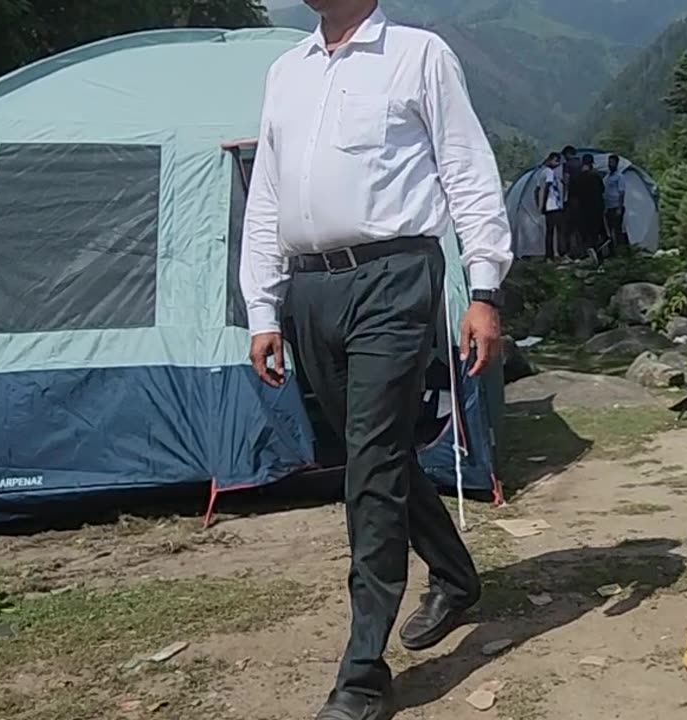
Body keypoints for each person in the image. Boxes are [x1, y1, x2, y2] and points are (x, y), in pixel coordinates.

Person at [239, 2, 511, 718]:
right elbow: (266, 194)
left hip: (393, 276)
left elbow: (468, 170)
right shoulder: (285, 71)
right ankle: (454, 575)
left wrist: (483, 289)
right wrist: (263, 308)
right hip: (309, 289)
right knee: (374, 451)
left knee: (370, 466)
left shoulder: (419, 55)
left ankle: (361, 674)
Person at [570, 153, 607, 259]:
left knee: (586, 233)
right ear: (592, 164)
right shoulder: (596, 176)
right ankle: (599, 254)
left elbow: (573, 196)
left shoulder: (577, 178)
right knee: (597, 232)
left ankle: (587, 254)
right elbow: (602, 190)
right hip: (597, 208)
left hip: (583, 210)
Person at [535, 152, 565, 259]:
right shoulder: (549, 173)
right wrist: (543, 203)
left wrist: (539, 204)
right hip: (554, 206)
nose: (557, 164)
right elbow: (547, 187)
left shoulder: (542, 172)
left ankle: (549, 255)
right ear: (551, 160)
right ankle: (561, 253)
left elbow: (537, 189)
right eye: (556, 161)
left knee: (550, 231)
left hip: (549, 207)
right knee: (559, 230)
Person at [603, 154, 628, 256]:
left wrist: (619, 208)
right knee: (609, 230)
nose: (610, 164)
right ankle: (612, 251)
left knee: (617, 229)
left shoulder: (620, 177)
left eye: (612, 162)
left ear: (616, 164)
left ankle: (620, 251)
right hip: (608, 207)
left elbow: (622, 192)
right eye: (609, 162)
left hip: (616, 206)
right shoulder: (607, 177)